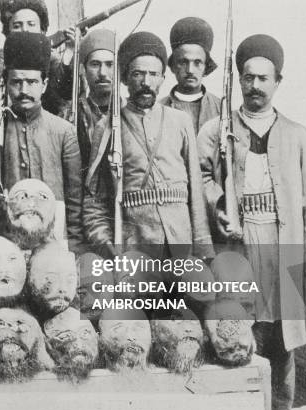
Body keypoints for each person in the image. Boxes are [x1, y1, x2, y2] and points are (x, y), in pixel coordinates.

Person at [198, 34, 306, 410]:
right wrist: (218, 201)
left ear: (277, 82)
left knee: (285, 333)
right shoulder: (215, 130)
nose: (254, 86)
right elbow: (202, 177)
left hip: (282, 241)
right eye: (247, 78)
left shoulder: (297, 134)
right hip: (238, 243)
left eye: (263, 78)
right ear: (239, 80)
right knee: (241, 326)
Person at [83, 31, 213, 260]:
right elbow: (94, 201)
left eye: (153, 74)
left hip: (180, 246)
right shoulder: (107, 127)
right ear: (124, 79)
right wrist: (107, 246)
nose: (146, 82)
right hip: (136, 248)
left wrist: (203, 249)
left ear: (163, 77)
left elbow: (196, 192)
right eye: (138, 74)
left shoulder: (179, 121)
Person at [0, 31, 82, 251]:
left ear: (44, 85)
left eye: (32, 82)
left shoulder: (64, 132)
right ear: (6, 82)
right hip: (7, 243)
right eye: (16, 82)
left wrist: (72, 250)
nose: (24, 90)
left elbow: (74, 202)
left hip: (53, 242)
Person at [0, 0, 75, 115]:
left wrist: (69, 52)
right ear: (8, 31)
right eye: (17, 26)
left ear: (42, 30)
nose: (25, 30)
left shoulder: (52, 60)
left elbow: (64, 92)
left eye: (31, 24)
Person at [160, 17, 221, 134]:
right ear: (173, 66)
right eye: (183, 62)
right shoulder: (158, 109)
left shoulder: (221, 109)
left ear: (206, 67)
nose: (190, 70)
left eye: (197, 63)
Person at [72, 28, 115, 173]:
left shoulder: (128, 112)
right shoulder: (70, 115)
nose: (103, 73)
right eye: (95, 64)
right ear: (83, 69)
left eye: (110, 64)